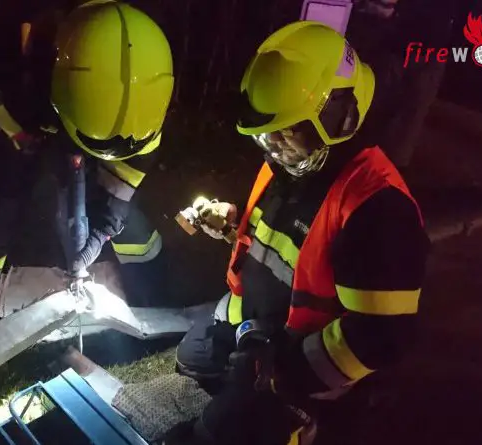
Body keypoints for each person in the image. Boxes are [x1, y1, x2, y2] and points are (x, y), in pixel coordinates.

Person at [171, 21, 430, 445]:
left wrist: (282, 374)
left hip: (310, 362)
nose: (275, 145)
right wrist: (232, 223)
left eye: (289, 131)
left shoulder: (378, 209)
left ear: (337, 116)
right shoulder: (295, 165)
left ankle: (306, 422)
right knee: (192, 356)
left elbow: (381, 336)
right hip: (262, 328)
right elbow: (288, 245)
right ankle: (247, 398)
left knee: (219, 432)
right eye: (267, 135)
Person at [0, 0, 174, 348]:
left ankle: (152, 299)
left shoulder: (142, 91)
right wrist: (12, 132)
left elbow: (129, 171)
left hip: (85, 117)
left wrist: (107, 222)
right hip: (16, 122)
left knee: (126, 220)